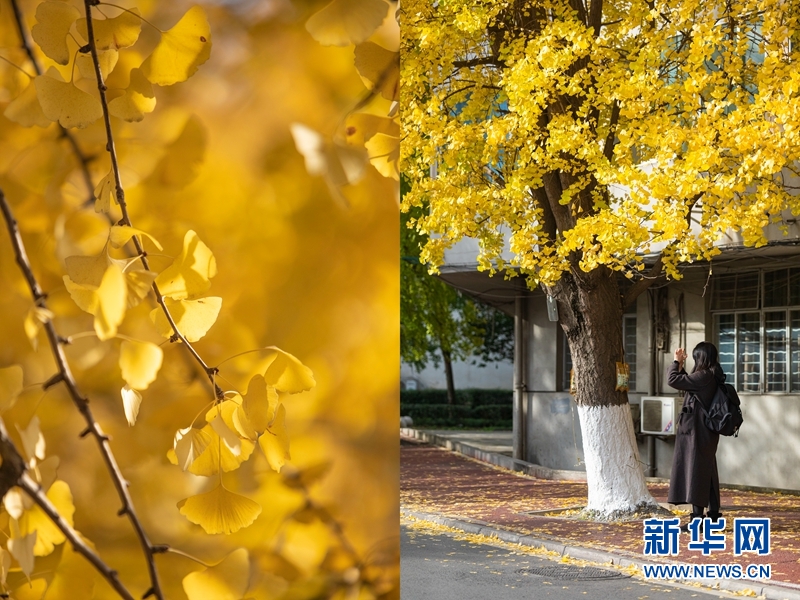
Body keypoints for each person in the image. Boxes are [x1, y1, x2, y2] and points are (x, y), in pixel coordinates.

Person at [667, 342, 725, 531]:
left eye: (695, 357)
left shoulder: (704, 375)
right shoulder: (711, 375)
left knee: (696, 472)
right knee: (707, 472)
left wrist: (676, 362)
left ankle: (697, 520)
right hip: (705, 432)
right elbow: (689, 383)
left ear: (701, 358)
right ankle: (714, 516)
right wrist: (681, 366)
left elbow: (673, 380)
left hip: (697, 432)